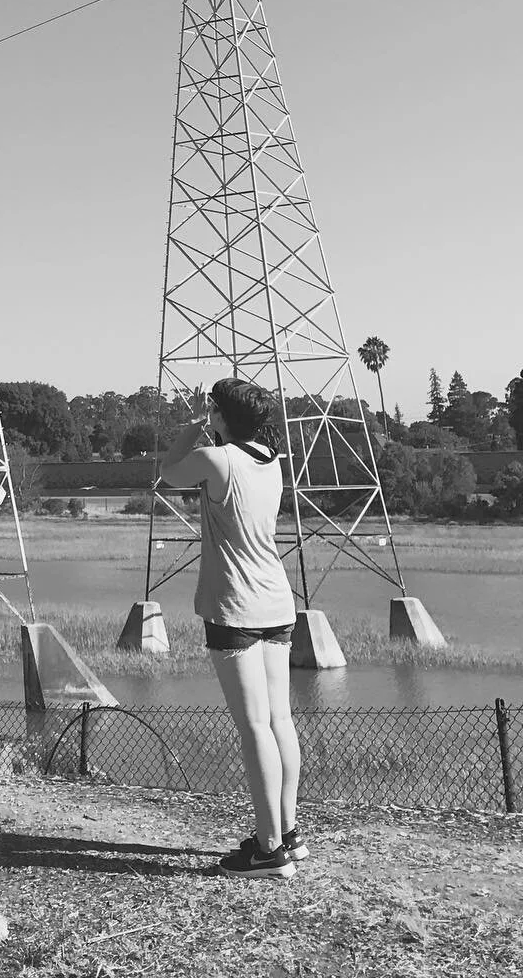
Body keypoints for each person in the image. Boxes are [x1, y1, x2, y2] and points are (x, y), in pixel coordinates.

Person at [158, 376, 306, 880]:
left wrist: (192, 428)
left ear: (221, 414)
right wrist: (215, 424)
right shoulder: (272, 460)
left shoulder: (218, 460)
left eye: (213, 409)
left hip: (235, 609)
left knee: (254, 727)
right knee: (279, 721)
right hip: (277, 604)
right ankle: (287, 833)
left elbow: (169, 471)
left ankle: (267, 851)